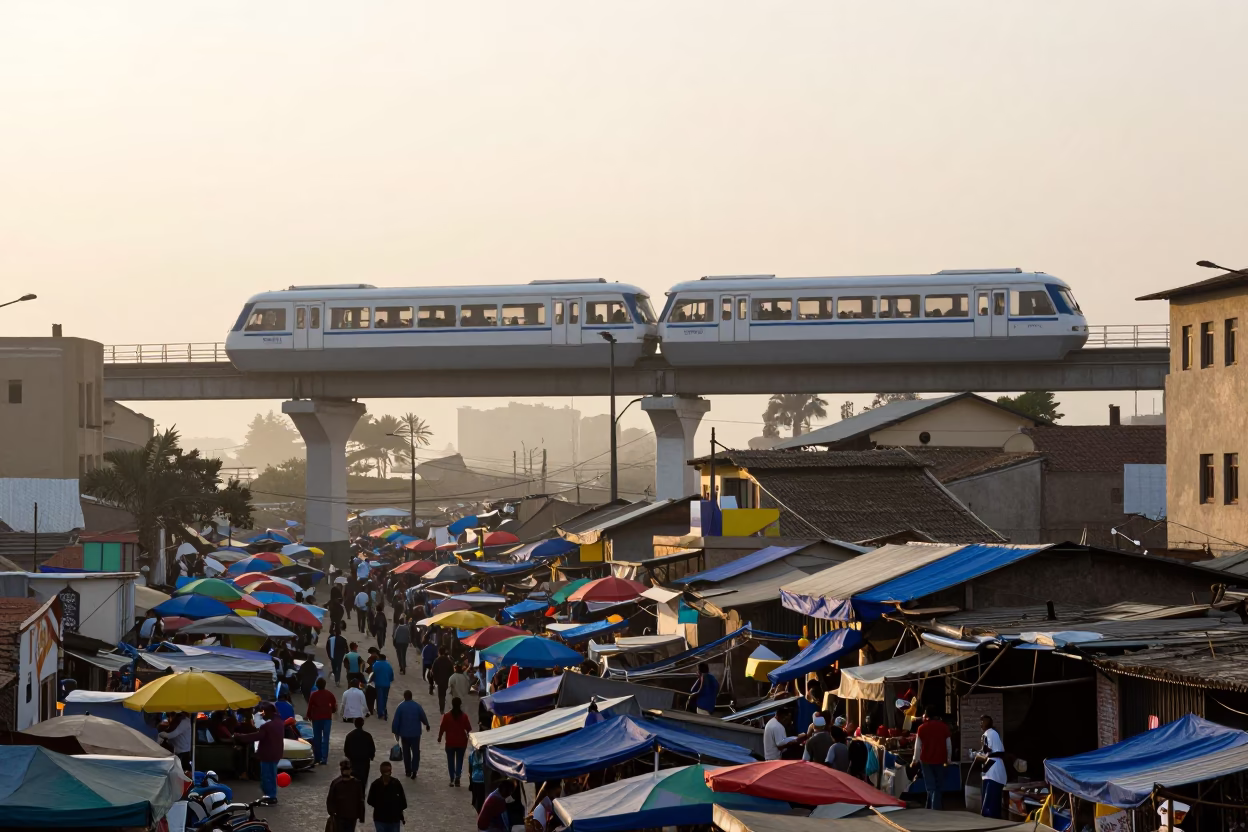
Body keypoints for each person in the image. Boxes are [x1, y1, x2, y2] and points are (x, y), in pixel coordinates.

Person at [232, 702, 286, 805]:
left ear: (269, 712)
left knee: (267, 776)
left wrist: (239, 736)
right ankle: (271, 795)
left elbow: (256, 736)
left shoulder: (267, 726)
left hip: (268, 754)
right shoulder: (279, 723)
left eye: (263, 712)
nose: (262, 714)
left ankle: (269, 796)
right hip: (277, 753)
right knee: (272, 775)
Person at [913, 709, 953, 810]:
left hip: (926, 761)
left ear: (927, 715)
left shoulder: (921, 728)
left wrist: (915, 760)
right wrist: (949, 759)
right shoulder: (944, 727)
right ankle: (933, 807)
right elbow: (949, 746)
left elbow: (917, 747)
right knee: (938, 786)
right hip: (941, 760)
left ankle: (933, 809)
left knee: (931, 786)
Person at [392, 689, 431, 779]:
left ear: (404, 697)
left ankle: (408, 770)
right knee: (416, 752)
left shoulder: (400, 707)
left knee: (406, 753)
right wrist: (427, 724)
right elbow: (423, 716)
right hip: (415, 734)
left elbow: (396, 721)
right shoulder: (417, 706)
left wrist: (395, 732)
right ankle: (414, 770)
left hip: (404, 734)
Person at [975, 714, 1007, 818]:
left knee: (990, 804)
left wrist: (982, 755)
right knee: (990, 802)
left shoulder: (990, 734)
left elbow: (997, 752)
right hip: (990, 771)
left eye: (983, 722)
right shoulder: (989, 734)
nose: (981, 724)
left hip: (993, 772)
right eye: (980, 722)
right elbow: (988, 750)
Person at [438, 695, 473, 787]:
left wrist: (439, 737)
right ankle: (458, 776)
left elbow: (442, 728)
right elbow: (469, 728)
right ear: (460, 705)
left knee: (450, 761)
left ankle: (452, 778)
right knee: (459, 760)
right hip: (461, 743)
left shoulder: (446, 716)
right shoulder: (464, 716)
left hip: (450, 742)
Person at [326, 758, 366, 832]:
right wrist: (331, 813)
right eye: (345, 770)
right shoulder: (336, 783)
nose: (346, 772)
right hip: (339, 816)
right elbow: (330, 799)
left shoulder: (357, 784)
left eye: (347, 769)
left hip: (351, 816)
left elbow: (360, 799)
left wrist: (361, 816)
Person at [368, 761, 408, 832]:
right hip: (381, 819)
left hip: (392, 819)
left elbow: (403, 801)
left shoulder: (396, 783)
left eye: (388, 771)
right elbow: (370, 800)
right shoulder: (376, 784)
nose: (387, 773)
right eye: (385, 771)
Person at [307, 677, 338, 766]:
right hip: (327, 719)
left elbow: (310, 706)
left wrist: (309, 716)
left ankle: (317, 758)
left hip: (316, 719)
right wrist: (331, 711)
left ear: (317, 685)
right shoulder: (329, 694)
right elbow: (334, 706)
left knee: (317, 738)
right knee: (326, 738)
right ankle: (324, 759)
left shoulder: (314, 695)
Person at [344, 717, 377, 785]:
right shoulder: (367, 735)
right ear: (363, 724)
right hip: (365, 761)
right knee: (363, 779)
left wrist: (350, 757)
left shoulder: (349, 735)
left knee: (354, 779)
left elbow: (346, 750)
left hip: (354, 761)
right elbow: (372, 748)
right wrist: (371, 756)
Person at [373, 653, 395, 719]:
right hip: (386, 684)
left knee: (379, 698)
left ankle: (380, 713)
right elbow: (391, 676)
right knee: (385, 698)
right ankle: (384, 709)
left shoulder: (375, 664)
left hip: (378, 684)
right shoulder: (388, 665)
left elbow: (373, 673)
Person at [431, 646, 454, 713]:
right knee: (444, 694)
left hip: (439, 681)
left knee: (441, 695)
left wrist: (435, 679)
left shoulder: (437, 660)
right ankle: (445, 706)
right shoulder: (448, 661)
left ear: (439, 652)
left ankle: (442, 708)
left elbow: (433, 671)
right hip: (447, 681)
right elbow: (452, 671)